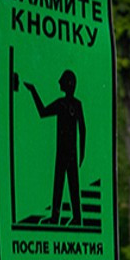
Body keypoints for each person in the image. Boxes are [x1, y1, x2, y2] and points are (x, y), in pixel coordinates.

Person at [24, 69, 86, 226]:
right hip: (67, 151)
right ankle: (58, 218)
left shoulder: (68, 103)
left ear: (69, 84)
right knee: (63, 183)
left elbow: (82, 128)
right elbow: (43, 112)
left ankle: (74, 218)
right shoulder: (67, 103)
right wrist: (33, 91)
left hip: (67, 152)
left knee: (69, 184)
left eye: (62, 81)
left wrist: (83, 152)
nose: (59, 83)